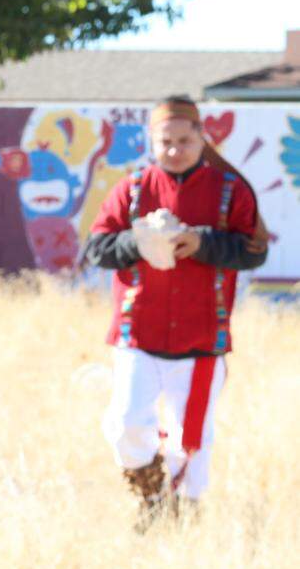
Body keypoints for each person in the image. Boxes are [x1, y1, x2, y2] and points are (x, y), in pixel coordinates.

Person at [85, 96, 268, 524]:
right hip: (137, 334)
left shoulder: (229, 191)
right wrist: (138, 241)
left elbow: (254, 251)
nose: (174, 149)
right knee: (128, 422)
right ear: (152, 140)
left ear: (202, 138)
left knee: (192, 438)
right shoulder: (132, 189)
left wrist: (202, 242)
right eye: (165, 141)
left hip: (202, 339)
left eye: (184, 140)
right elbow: (97, 248)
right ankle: (149, 498)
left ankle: (183, 517)